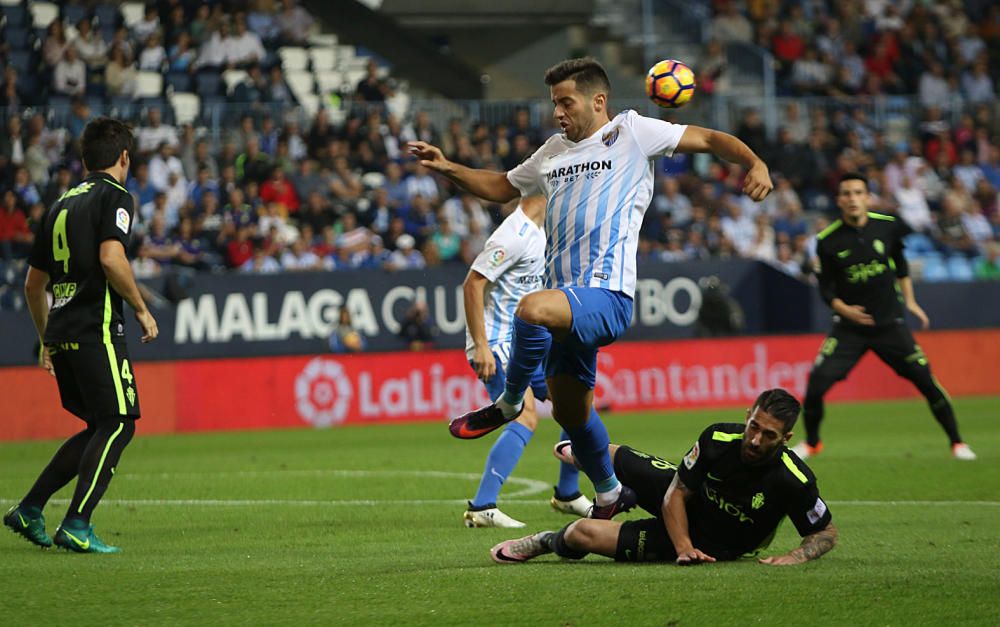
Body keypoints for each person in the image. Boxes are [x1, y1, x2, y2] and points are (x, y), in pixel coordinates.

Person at [409, 57, 773, 519]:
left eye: (566, 102)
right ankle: (606, 494)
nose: (558, 111)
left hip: (606, 295)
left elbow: (709, 139)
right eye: (554, 103)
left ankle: (507, 402)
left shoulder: (633, 132)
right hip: (568, 305)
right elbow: (502, 186)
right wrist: (446, 167)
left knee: (529, 309)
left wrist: (754, 161)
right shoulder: (552, 151)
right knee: (572, 415)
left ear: (598, 101)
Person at [3, 118, 159, 553]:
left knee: (99, 426)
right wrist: (142, 308)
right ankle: (76, 523)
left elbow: (34, 283)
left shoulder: (60, 204)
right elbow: (112, 258)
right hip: (97, 328)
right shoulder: (116, 197)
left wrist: (46, 338)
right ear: (124, 157)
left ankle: (31, 508)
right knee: (120, 423)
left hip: (65, 332)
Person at [490, 389, 838, 567]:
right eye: (753, 428)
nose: (756, 441)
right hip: (682, 498)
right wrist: (683, 546)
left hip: (714, 544)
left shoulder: (795, 479)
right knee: (607, 453)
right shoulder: (717, 440)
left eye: (769, 436)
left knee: (581, 534)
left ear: (787, 439)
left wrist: (797, 557)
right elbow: (678, 490)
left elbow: (825, 532)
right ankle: (599, 476)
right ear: (747, 417)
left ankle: (547, 540)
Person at [795, 173, 976, 461]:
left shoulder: (888, 228)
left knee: (926, 381)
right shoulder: (827, 241)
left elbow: (901, 266)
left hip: (890, 325)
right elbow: (826, 291)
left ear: (867, 197)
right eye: (847, 194)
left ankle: (958, 443)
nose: (853, 199)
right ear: (839, 200)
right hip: (849, 329)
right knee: (816, 385)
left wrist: (912, 302)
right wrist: (845, 310)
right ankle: (812, 443)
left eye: (858, 193)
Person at [462, 195, 592, 528]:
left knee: (575, 399)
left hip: (529, 338)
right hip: (497, 342)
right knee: (525, 417)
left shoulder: (547, 232)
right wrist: (481, 346)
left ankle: (567, 492)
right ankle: (482, 506)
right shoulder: (513, 234)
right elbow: (473, 283)